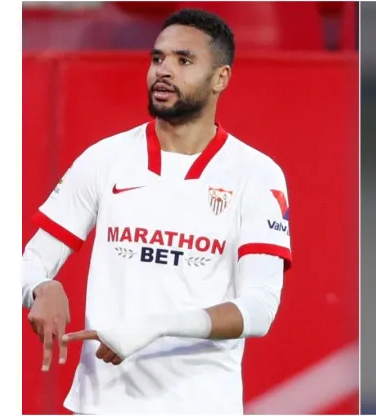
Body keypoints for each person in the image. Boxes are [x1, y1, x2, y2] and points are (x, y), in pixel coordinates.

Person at [21, 9, 292, 414]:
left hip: (200, 404)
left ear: (221, 78)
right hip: (102, 404)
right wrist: (40, 288)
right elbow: (28, 265)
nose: (163, 71)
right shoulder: (105, 159)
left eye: (184, 61)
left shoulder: (256, 174)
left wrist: (155, 325)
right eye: (157, 58)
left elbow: (259, 309)